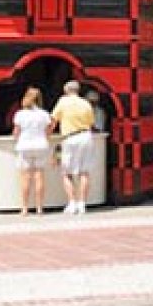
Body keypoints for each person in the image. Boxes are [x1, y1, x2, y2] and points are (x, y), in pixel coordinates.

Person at [51, 79, 95, 215]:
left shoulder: (63, 101)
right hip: (86, 136)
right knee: (84, 172)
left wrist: (48, 133)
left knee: (66, 173)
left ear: (66, 90)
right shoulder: (86, 103)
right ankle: (82, 204)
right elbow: (91, 122)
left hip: (70, 138)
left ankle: (72, 203)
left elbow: (53, 120)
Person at [12, 86, 52, 216]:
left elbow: (16, 132)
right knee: (39, 176)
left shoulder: (20, 114)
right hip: (41, 145)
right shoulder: (44, 114)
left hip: (24, 146)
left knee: (25, 177)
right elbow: (48, 132)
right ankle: (40, 208)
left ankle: (24, 208)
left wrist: (17, 138)